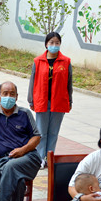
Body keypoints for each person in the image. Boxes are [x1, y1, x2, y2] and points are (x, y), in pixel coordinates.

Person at [27, 31, 72, 169]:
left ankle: (49, 157)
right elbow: (32, 81)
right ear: (46, 44)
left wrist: (70, 100)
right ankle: (40, 158)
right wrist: (31, 100)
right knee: (41, 132)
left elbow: (69, 83)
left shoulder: (66, 61)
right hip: (42, 100)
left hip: (59, 101)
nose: (54, 45)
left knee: (53, 132)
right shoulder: (38, 61)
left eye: (57, 43)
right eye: (51, 42)